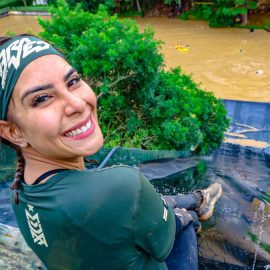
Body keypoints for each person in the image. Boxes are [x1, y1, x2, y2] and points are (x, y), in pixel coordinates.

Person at [0, 35, 222, 270]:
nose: (76, 104)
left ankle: (196, 200)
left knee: (147, 209)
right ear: (13, 132)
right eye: (42, 98)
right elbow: (161, 243)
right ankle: (197, 207)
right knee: (184, 222)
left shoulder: (20, 193)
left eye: (73, 81)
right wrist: (181, 216)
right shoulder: (122, 186)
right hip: (150, 230)